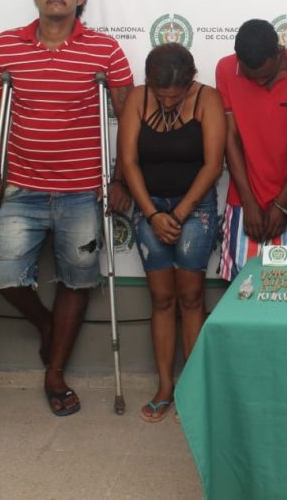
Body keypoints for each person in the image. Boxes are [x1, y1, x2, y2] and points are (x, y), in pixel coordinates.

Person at [0, 0, 134, 416]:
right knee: (5, 275)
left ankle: (55, 372)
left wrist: (120, 179)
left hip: (82, 189)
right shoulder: (6, 46)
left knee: (77, 278)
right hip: (21, 187)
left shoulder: (104, 50)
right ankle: (48, 326)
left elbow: (127, 117)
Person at [118, 43, 225, 423]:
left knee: (191, 297)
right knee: (162, 299)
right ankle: (165, 387)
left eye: (175, 97)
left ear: (190, 81)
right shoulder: (137, 98)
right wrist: (152, 214)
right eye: (160, 95)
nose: (166, 102)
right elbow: (128, 161)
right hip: (149, 209)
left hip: (194, 209)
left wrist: (177, 214)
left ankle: (193, 390)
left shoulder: (208, 99)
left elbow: (213, 165)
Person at [216, 19, 287, 280]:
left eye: (266, 76)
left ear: (279, 52)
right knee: (241, 285)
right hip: (244, 199)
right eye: (251, 76)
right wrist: (248, 201)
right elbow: (230, 138)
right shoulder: (226, 68)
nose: (260, 82)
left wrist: (282, 203)